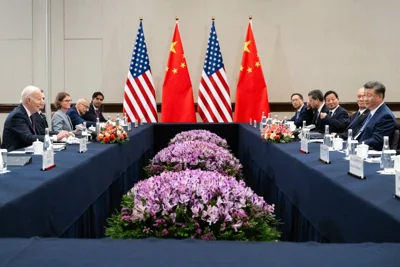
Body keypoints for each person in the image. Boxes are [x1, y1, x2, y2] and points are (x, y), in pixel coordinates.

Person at [1, 86, 69, 151]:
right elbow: (28, 138)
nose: (42, 102)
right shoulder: (17, 115)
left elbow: (40, 133)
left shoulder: (32, 114)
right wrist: (55, 138)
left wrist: (59, 134)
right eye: (39, 99)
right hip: (14, 156)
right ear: (29, 100)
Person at [355, 81, 396, 150]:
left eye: (368, 95)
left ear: (379, 97)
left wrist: (356, 145)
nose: (365, 99)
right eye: (364, 95)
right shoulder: (371, 112)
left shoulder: (385, 116)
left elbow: (376, 141)